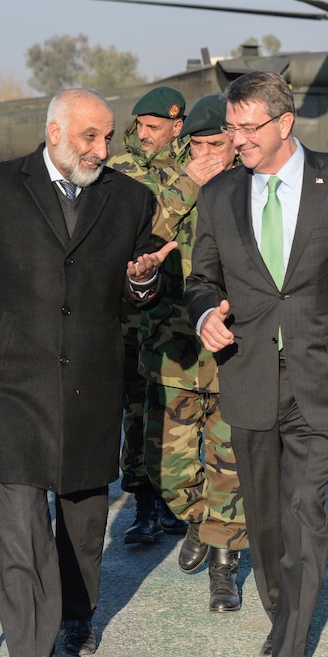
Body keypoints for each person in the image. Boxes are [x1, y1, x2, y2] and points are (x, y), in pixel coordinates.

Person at [0, 88, 175, 657]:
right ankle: (30, 647)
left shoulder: (131, 199)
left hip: (93, 382)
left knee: (84, 520)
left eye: (109, 137)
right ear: (56, 133)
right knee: (20, 524)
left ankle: (76, 613)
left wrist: (141, 280)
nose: (102, 149)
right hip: (14, 381)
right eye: (91, 136)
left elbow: (143, 291)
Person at [185, 71, 328, 657]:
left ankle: (290, 641)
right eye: (231, 128)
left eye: (247, 127)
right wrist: (206, 311)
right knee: (264, 518)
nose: (236, 140)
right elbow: (201, 279)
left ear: (284, 123)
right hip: (248, 371)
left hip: (323, 372)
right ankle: (280, 610)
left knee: (302, 506)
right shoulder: (217, 196)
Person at [136, 94, 250, 612]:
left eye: (218, 144)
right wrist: (191, 182)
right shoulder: (166, 180)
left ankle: (224, 565)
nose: (209, 154)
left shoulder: (253, 183)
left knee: (230, 464)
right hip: (174, 350)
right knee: (170, 470)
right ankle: (200, 521)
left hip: (234, 352)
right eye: (198, 145)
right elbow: (141, 237)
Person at [107, 85, 190, 544]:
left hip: (178, 310)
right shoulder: (120, 169)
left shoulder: (196, 162)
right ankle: (143, 503)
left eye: (154, 128)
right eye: (139, 126)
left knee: (176, 408)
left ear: (177, 128)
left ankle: (173, 500)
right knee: (136, 409)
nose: (144, 136)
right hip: (130, 312)